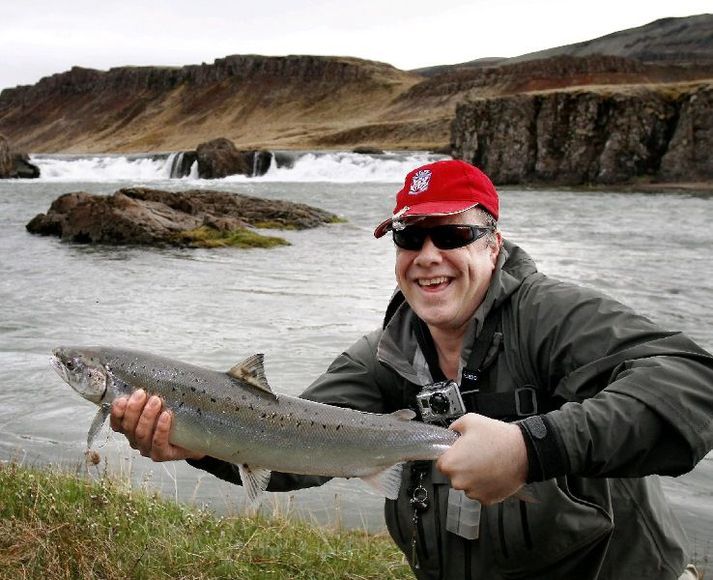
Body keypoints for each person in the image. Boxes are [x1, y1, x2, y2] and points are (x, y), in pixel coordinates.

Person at [110, 159, 713, 579]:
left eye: (450, 233)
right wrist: (197, 443)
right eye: (409, 235)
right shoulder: (379, 357)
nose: (428, 256)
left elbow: (693, 382)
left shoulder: (554, 317)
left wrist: (532, 449)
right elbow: (294, 454)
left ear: (493, 244)